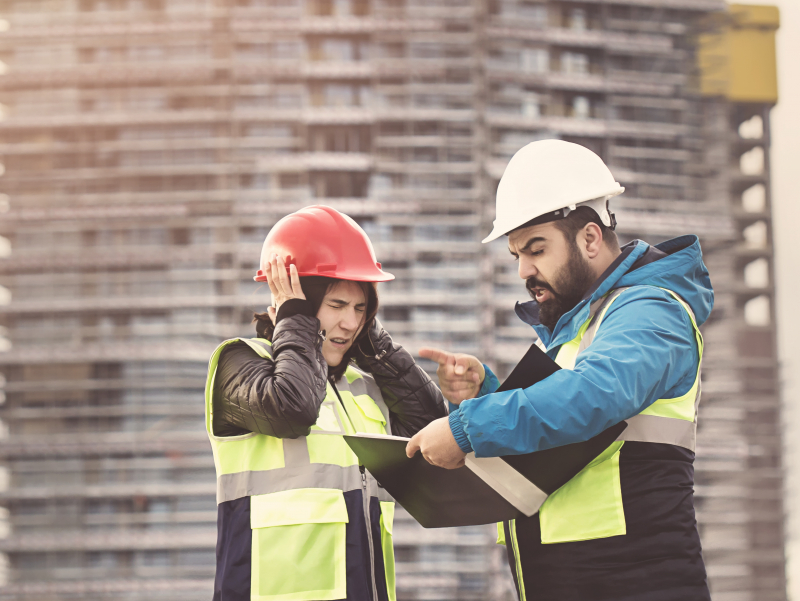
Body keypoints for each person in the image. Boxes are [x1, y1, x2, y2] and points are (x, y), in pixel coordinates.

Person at [407, 140, 713, 600]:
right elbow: (557, 422)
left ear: (590, 238)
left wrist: (467, 427)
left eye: (537, 249)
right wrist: (483, 391)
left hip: (637, 581)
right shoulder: (580, 328)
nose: (524, 271)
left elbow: (592, 395)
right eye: (517, 256)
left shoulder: (650, 311)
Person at [205, 205, 446, 601]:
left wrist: (376, 344)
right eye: (336, 306)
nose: (350, 323)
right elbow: (293, 408)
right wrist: (297, 321)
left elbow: (432, 428)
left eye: (360, 309)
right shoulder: (239, 363)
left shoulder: (362, 388)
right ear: (295, 299)